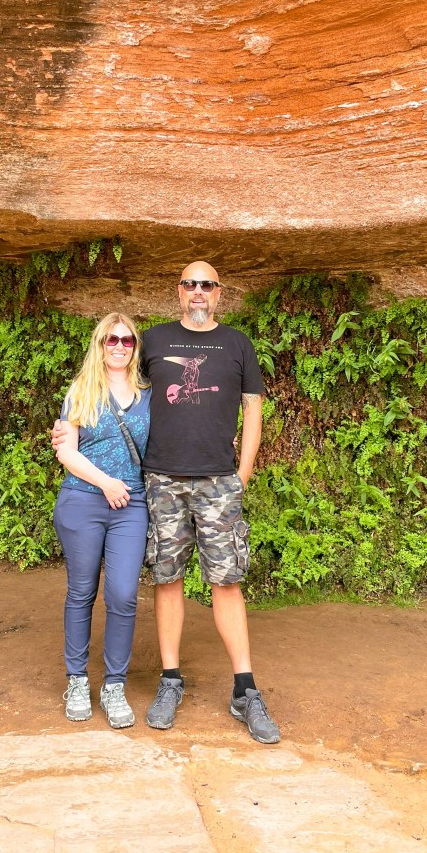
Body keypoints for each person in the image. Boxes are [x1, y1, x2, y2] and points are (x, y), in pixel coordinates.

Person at [55, 263, 279, 743]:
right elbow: (116, 388)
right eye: (190, 284)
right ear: (179, 291)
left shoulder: (237, 343)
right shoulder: (153, 341)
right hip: (161, 481)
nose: (198, 292)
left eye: (207, 285)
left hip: (219, 480)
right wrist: (69, 429)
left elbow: (253, 408)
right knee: (167, 578)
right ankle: (170, 681)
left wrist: (242, 474)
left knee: (226, 580)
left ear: (219, 293)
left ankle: (245, 689)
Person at [52, 312, 151, 728]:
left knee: (124, 595)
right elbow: (66, 451)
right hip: (84, 500)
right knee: (82, 591)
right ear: (100, 344)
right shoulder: (81, 390)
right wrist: (106, 482)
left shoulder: (148, 394)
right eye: (112, 340)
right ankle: (77, 680)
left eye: (127, 340)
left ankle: (114, 685)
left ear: (135, 347)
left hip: (131, 505)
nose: (119, 347)